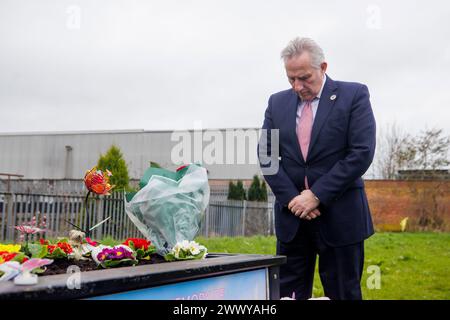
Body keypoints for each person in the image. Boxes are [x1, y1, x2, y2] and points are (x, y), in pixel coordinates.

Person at [258, 37, 376, 300]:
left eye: (304, 78)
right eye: (291, 79)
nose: (298, 86)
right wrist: (293, 200)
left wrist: (316, 195)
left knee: (343, 293)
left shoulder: (354, 95)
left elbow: (361, 152)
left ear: (323, 67)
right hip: (293, 220)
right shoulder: (277, 103)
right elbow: (267, 156)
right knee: (287, 296)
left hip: (341, 217)